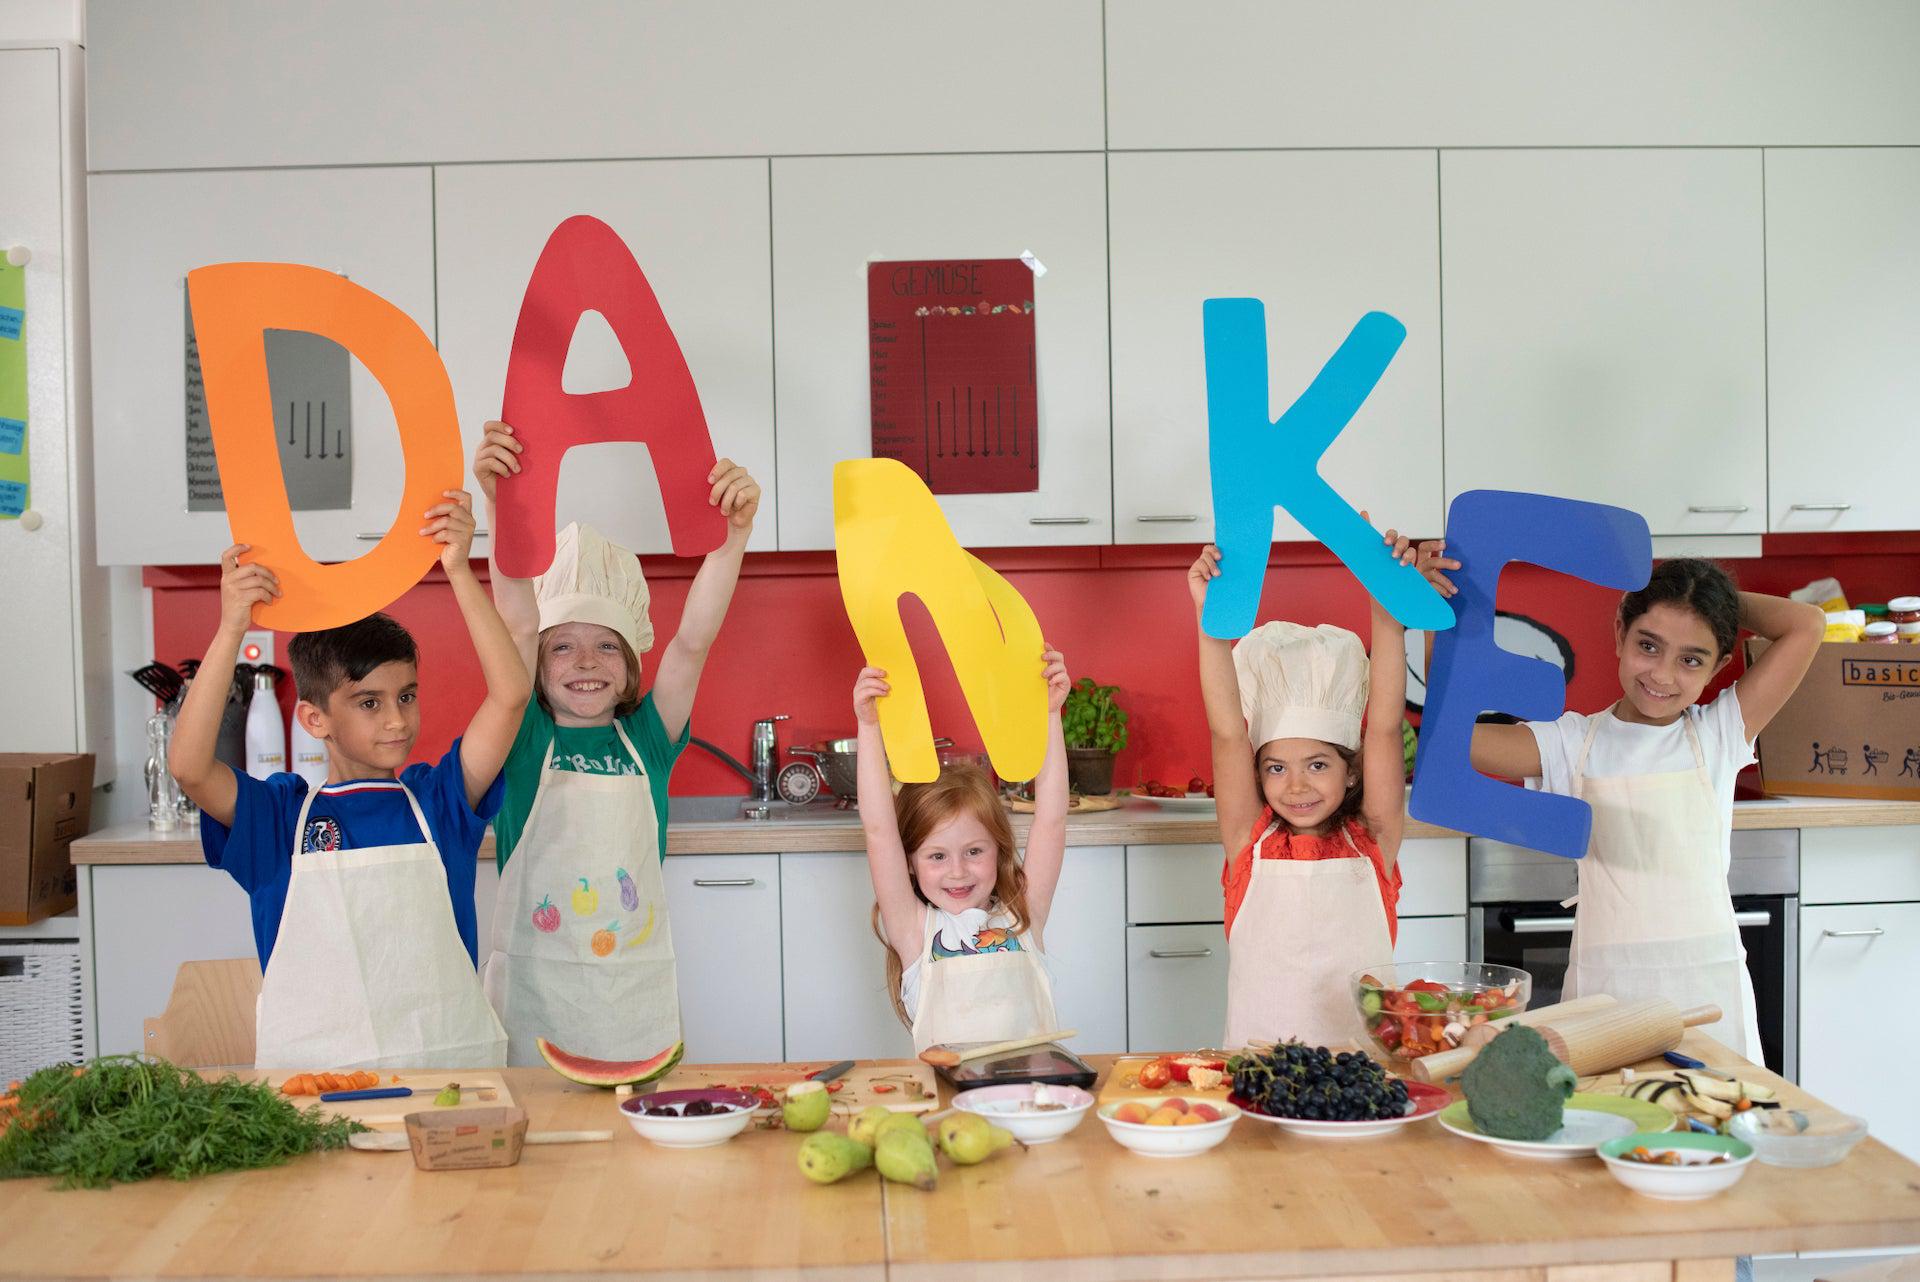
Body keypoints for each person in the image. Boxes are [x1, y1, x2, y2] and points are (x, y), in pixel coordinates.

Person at [1415, 549, 1823, 1059]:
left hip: (1709, 987)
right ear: (1619, 634)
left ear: (1719, 665)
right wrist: (1428, 613)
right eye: (1648, 646)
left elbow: (1807, 624)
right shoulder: (1571, 743)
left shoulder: (1720, 733)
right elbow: (1452, 732)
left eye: (1691, 659)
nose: (1663, 674)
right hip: (1606, 992)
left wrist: (1704, 596)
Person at [170, 490, 525, 1068]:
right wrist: (232, 625)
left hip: (449, 1085)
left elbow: (510, 696)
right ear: (315, 719)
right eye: (368, 702)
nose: (397, 719)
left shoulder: (442, 803)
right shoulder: (279, 820)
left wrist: (460, 569)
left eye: (406, 696)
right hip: (315, 1098)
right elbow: (189, 767)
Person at [472, 421, 760, 1065]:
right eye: (564, 645)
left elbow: (692, 641)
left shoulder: (648, 740)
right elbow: (517, 620)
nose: (587, 661)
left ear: (632, 663)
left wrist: (734, 536)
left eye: (607, 644)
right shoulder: (524, 735)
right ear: (539, 665)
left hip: (630, 993)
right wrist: (500, 505)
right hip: (534, 994)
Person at [1191, 532, 1419, 1050]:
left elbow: (1383, 725)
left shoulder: (1373, 840)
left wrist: (1384, 599)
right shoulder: (1249, 842)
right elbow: (1227, 730)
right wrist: (1211, 620)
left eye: (1317, 764)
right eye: (1275, 767)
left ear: (1351, 772)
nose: (1295, 786)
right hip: (1259, 1069)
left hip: (1364, 1073)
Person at [854, 650, 1071, 1052]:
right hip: (949, 1108)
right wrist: (869, 728)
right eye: (937, 856)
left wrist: (1050, 716)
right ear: (910, 864)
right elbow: (880, 831)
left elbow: (1052, 819)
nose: (958, 871)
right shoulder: (914, 930)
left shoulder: (1024, 914)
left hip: (1028, 1102)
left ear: (999, 849)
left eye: (974, 851)